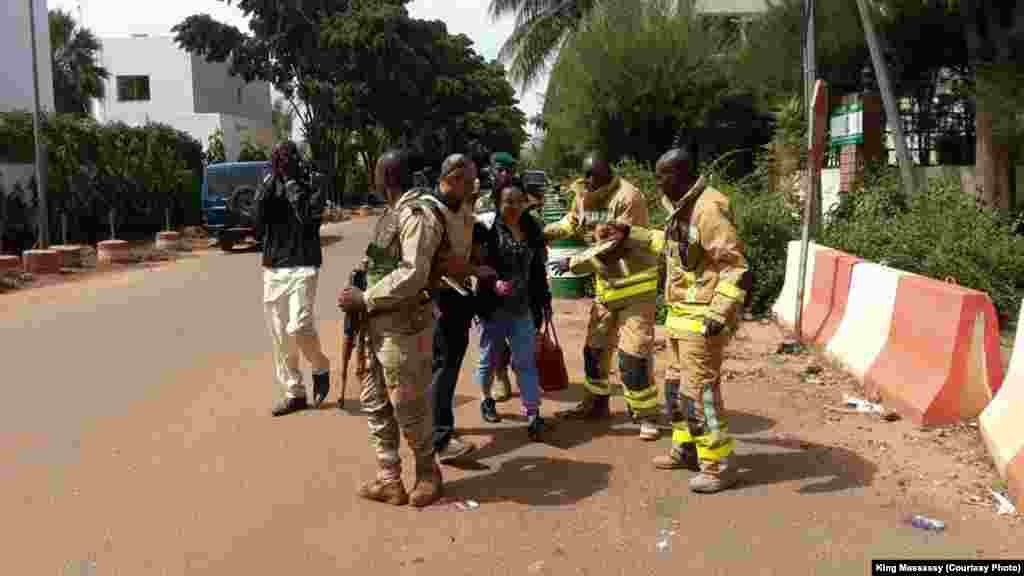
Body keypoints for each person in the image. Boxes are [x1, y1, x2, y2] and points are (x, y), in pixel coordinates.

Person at [600, 148, 750, 493]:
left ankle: (718, 465)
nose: (657, 183)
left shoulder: (708, 208)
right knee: (676, 392)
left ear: (681, 175)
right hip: (680, 317)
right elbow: (668, 245)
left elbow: (735, 266)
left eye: (662, 176)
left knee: (701, 396)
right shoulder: (679, 210)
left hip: (702, 320)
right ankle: (687, 449)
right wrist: (628, 233)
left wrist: (719, 312)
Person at [337, 150, 462, 507]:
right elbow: (383, 262)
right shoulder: (395, 213)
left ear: (385, 177)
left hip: (403, 325)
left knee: (408, 405)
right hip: (377, 323)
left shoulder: (417, 214)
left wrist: (365, 298)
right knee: (375, 401)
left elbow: (413, 273)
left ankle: (428, 473)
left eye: (376, 173)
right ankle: (389, 478)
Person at [545, 151, 662, 441]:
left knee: (633, 356)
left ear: (608, 173)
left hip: (635, 288)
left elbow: (617, 247)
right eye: (587, 177)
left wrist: (574, 263)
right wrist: (543, 233)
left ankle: (646, 415)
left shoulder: (628, 197)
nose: (590, 182)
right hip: (607, 289)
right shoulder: (584, 194)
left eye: (596, 176)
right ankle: (596, 404)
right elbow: (572, 222)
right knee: (594, 351)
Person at [255, 141, 331, 417]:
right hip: (275, 267)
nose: (284, 163)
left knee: (298, 326)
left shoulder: (313, 182)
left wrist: (291, 183)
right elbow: (257, 224)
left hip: (304, 264)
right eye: (280, 159)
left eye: (288, 158)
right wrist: (266, 188)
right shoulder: (268, 184)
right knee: (280, 336)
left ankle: (320, 366)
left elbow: (309, 219)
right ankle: (294, 393)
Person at [474, 179, 553, 439]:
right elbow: (477, 264)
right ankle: (486, 399)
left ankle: (533, 415)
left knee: (525, 362)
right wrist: (492, 282)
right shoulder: (486, 229)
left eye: (519, 201)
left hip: (523, 309)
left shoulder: (531, 228)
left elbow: (538, 271)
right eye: (508, 201)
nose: (514, 206)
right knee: (489, 359)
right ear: (497, 202)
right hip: (493, 309)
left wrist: (545, 301)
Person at [429, 154, 492, 465]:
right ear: (451, 178)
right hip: (438, 297)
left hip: (459, 296)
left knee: (449, 364)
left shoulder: (462, 204)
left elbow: (470, 228)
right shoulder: (431, 211)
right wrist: (475, 270)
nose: (472, 188)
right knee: (442, 365)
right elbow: (437, 261)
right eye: (468, 182)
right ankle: (440, 440)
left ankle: (436, 425)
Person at [474, 151, 519, 402]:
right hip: (490, 278)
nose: (503, 174)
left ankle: (518, 370)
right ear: (490, 171)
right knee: (495, 334)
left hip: (518, 275)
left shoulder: (524, 199)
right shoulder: (481, 204)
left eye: (508, 170)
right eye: (498, 169)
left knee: (521, 328)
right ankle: (500, 375)